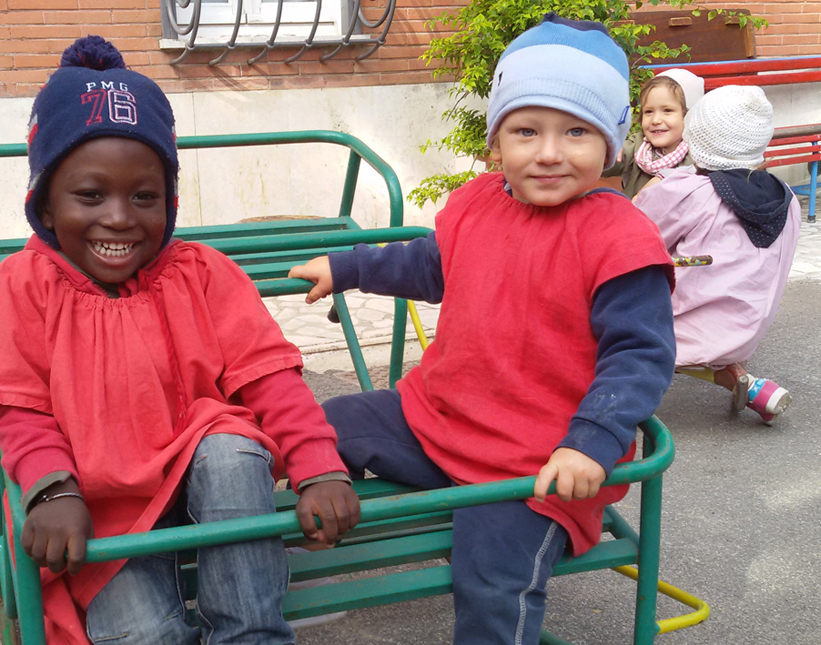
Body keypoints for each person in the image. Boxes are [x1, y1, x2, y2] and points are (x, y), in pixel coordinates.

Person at [288, 13, 676, 645]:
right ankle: (313, 552)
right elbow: (428, 263)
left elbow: (640, 355)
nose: (549, 152)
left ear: (612, 144)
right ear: (497, 141)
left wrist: (590, 443)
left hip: (536, 462)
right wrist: (348, 265)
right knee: (324, 428)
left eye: (577, 131)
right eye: (526, 130)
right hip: (437, 420)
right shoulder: (476, 203)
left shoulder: (620, 237)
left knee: (491, 576)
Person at [0, 36, 360, 645]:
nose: (119, 217)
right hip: (98, 502)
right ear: (43, 200)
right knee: (142, 635)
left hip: (208, 485)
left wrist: (319, 465)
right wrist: (52, 488)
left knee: (230, 443)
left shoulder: (202, 273)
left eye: (145, 196)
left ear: (169, 199)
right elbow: (18, 408)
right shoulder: (23, 287)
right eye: (90, 195)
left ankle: (251, 633)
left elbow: (269, 377)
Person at [634, 85, 801, 424]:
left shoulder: (689, 192)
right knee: (708, 336)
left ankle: (617, 396)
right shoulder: (788, 200)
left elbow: (634, 238)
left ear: (697, 136)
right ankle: (747, 384)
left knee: (607, 315)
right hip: (744, 330)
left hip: (681, 328)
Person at [603, 68, 704, 198]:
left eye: (667, 110)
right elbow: (604, 165)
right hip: (637, 216)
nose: (656, 120)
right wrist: (609, 150)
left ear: (688, 115)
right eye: (649, 112)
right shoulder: (637, 146)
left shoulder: (698, 157)